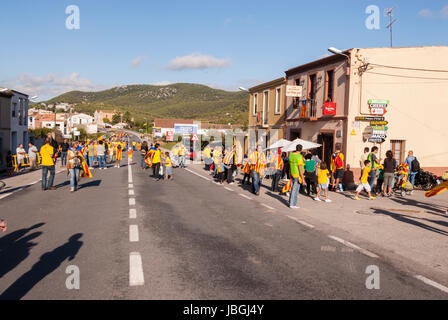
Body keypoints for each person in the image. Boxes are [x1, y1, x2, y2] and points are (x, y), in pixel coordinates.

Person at [288, 144, 306, 208]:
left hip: (292, 173)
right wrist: (303, 178)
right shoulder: (299, 156)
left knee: (292, 188)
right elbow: (300, 168)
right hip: (297, 174)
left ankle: (290, 201)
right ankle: (292, 204)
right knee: (295, 189)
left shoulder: (291, 155)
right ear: (301, 149)